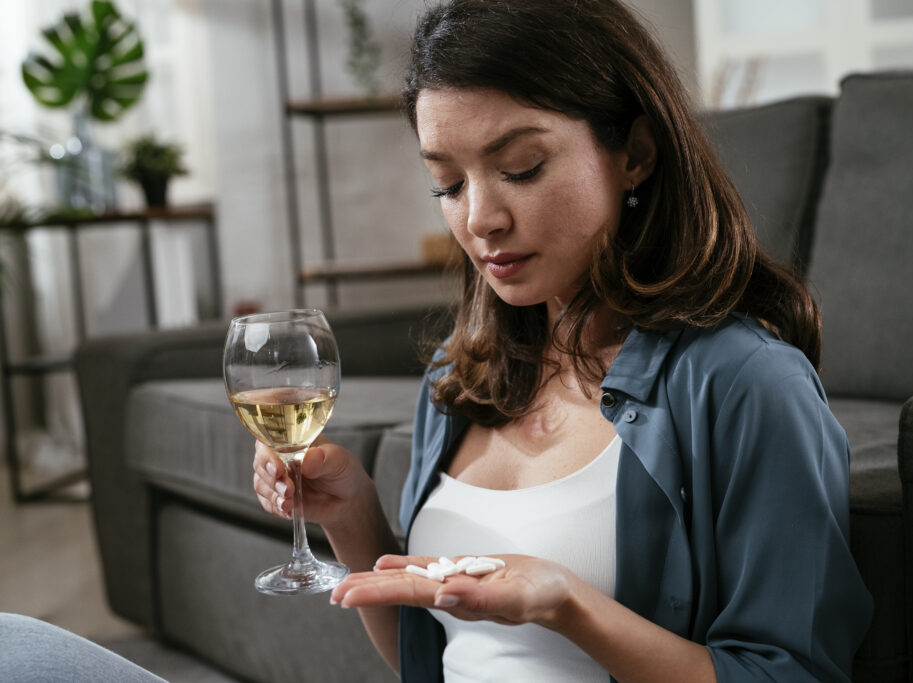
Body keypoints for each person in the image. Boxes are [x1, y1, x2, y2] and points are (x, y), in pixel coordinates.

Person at [251, 1, 873, 682]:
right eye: (448, 184)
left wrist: (569, 604)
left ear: (634, 152)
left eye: (520, 167)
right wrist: (354, 515)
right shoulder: (460, 378)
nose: (480, 218)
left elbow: (795, 672)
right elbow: (443, 659)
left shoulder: (747, 384)